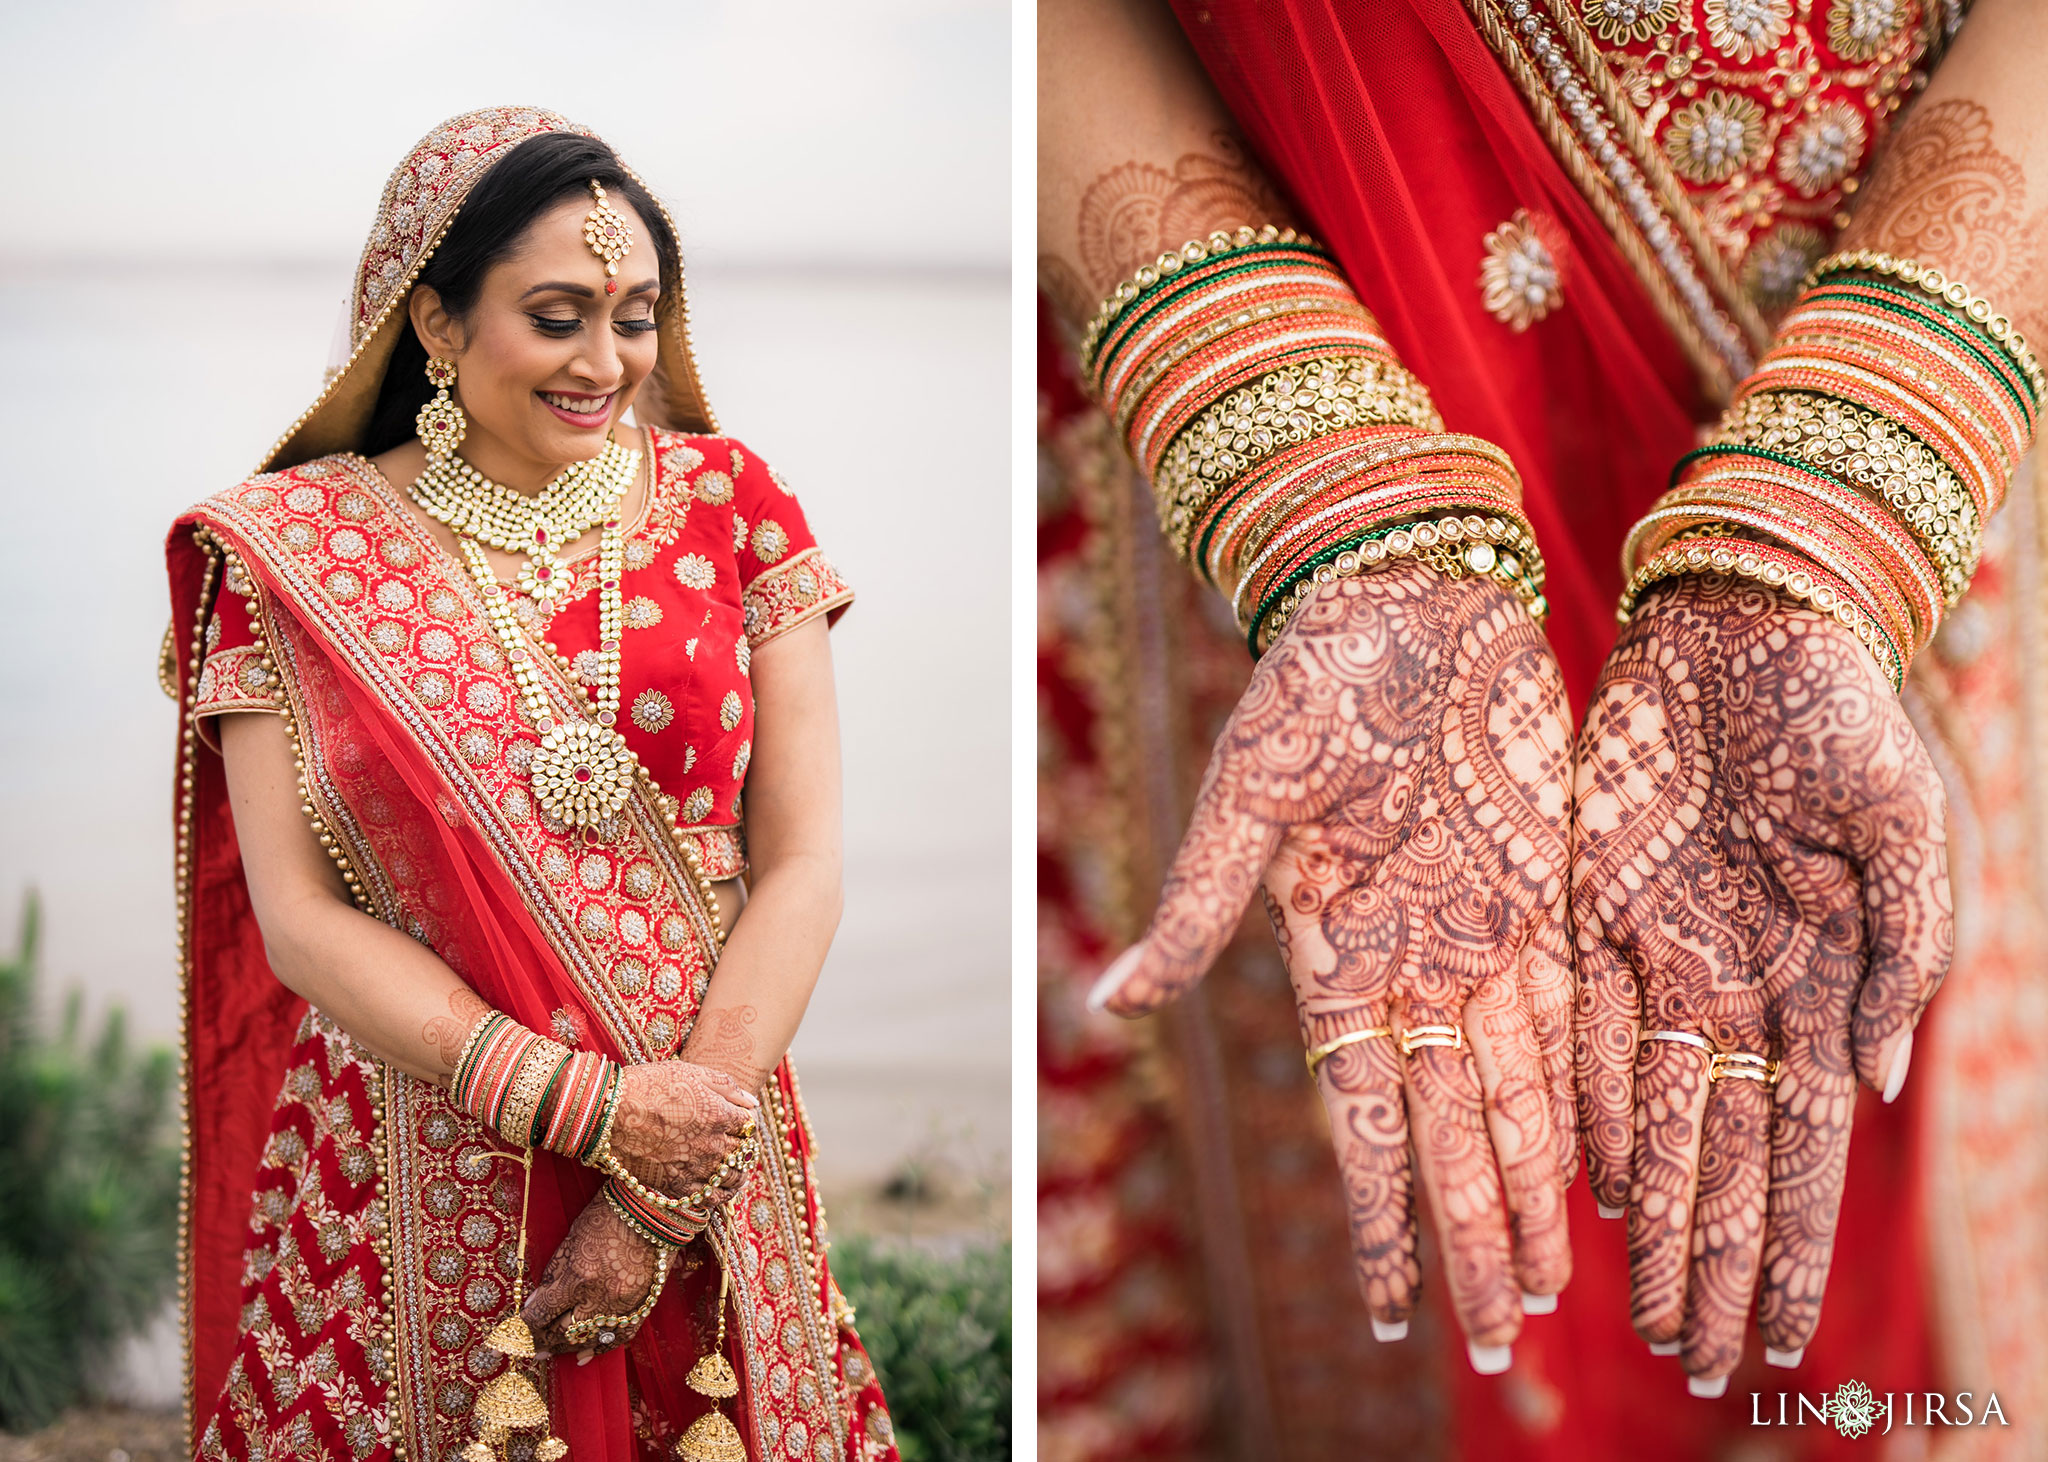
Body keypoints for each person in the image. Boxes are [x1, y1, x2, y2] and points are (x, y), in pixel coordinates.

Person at [1038, 2, 2048, 1456]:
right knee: (1390, 1199)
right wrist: (1324, 493)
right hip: (1278, 350)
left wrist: (1839, 517)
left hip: (1907, 341)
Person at [164, 107, 896, 1462]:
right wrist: (590, 1110)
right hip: (416, 1135)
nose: (607, 360)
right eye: (558, 315)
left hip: (709, 1113)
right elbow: (300, 920)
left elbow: (802, 862)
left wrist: (664, 1181)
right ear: (434, 323)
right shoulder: (289, 557)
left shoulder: (735, 502)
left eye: (635, 315)